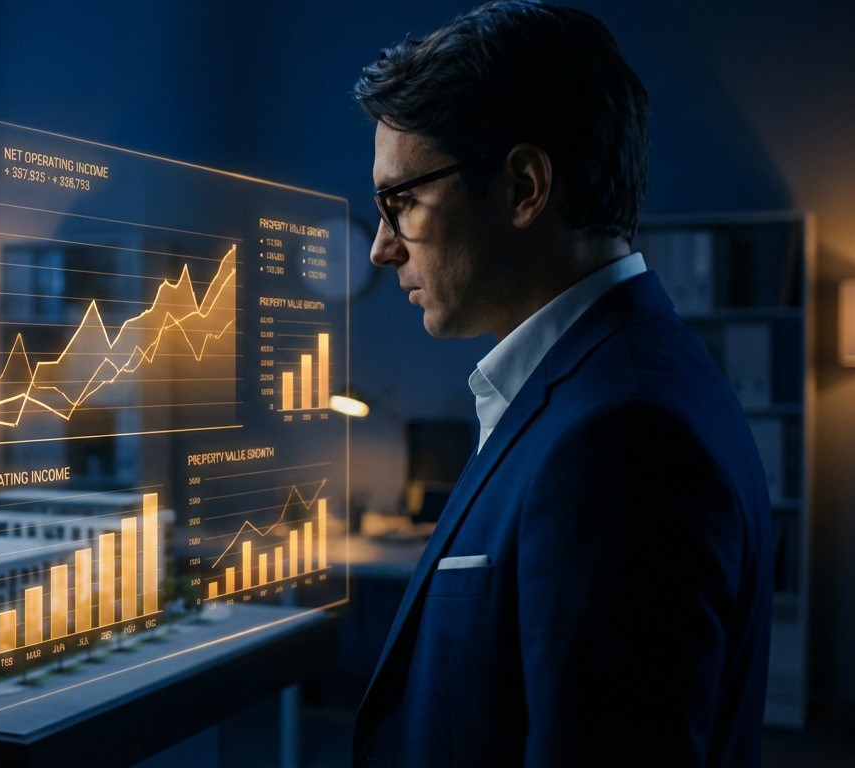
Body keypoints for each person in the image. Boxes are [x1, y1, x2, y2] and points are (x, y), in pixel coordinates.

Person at [350, 2, 773, 766]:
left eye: (401, 202)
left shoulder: (620, 440)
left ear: (523, 188)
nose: (383, 248)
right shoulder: (619, 381)